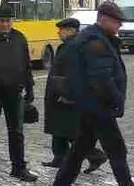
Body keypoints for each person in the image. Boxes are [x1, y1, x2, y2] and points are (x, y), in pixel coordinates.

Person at [52, 2, 134, 186]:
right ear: (103, 19)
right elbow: (101, 78)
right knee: (117, 150)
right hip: (97, 105)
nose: (119, 26)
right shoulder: (95, 43)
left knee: (81, 146)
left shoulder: (95, 37)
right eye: (117, 22)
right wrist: (116, 99)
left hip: (89, 103)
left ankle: (62, 184)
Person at [0, 7, 39, 182]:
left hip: (14, 91)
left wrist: (30, 87)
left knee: (17, 131)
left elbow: (26, 64)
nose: (5, 24)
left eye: (8, 21)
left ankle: (18, 167)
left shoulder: (19, 38)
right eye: (2, 21)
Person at [42, 18, 109, 173]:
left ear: (72, 31)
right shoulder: (66, 46)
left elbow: (74, 73)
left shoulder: (74, 47)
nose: (59, 33)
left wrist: (67, 93)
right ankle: (59, 158)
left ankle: (95, 156)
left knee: (71, 132)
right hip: (58, 93)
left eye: (62, 30)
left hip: (66, 95)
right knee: (59, 130)